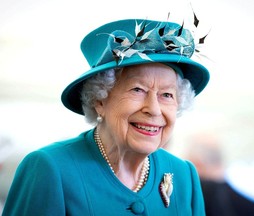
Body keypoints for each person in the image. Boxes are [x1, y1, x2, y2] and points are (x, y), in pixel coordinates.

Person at [3, 18, 210, 215]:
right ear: (99, 100)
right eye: (137, 90)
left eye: (167, 95)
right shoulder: (50, 168)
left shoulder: (183, 175)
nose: (154, 109)